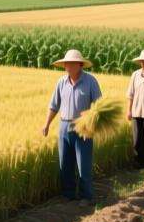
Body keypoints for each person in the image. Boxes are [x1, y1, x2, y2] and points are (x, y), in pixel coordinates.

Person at [42, 49, 102, 203]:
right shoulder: (61, 82)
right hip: (64, 125)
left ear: (80, 65)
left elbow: (99, 106)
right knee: (65, 163)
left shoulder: (90, 81)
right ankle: (68, 194)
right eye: (66, 64)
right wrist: (47, 124)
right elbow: (54, 105)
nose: (68, 66)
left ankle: (86, 196)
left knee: (83, 164)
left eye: (71, 64)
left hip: (83, 127)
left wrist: (89, 117)